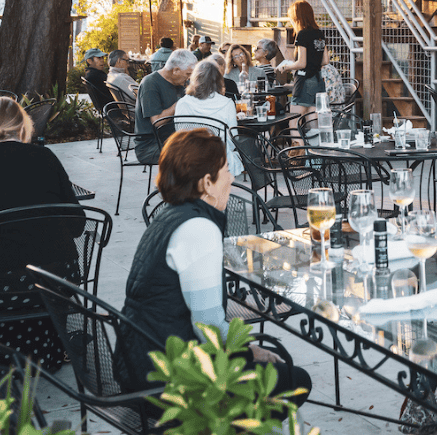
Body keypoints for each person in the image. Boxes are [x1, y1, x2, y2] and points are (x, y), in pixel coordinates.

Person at [120, 128, 312, 408]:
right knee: (294, 381)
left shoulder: (172, 215)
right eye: (224, 169)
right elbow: (207, 326)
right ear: (207, 183)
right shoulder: (197, 228)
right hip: (167, 378)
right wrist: (251, 350)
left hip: (142, 359)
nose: (232, 177)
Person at [0, 97, 84, 371]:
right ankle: (48, 349)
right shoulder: (44, 157)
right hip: (55, 279)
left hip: (1, 285)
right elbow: (77, 223)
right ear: (24, 126)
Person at [175, 59, 242, 175]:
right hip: (217, 159)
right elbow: (233, 138)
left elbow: (179, 132)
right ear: (218, 79)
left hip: (188, 158)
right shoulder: (226, 103)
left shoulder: (182, 102)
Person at [276, 0, 329, 138]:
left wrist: (286, 67)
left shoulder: (302, 34)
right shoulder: (319, 33)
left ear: (296, 17)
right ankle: (316, 157)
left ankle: (298, 157)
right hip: (318, 80)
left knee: (294, 123)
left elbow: (301, 63)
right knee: (313, 123)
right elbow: (325, 60)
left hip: (305, 80)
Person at [134, 49, 197, 164]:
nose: (189, 78)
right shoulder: (150, 83)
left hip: (175, 138)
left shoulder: (179, 83)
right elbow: (157, 121)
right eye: (188, 74)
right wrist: (179, 104)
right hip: (151, 146)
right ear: (176, 70)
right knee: (197, 153)